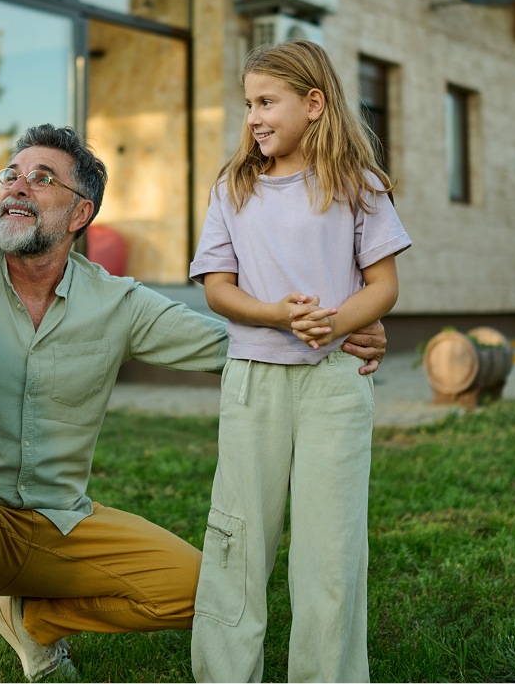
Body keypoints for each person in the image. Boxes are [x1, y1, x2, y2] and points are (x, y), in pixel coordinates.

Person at [0, 124, 391, 684]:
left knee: (207, 594)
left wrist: (335, 328)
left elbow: (229, 345)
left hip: (61, 522)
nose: (18, 187)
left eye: (43, 178)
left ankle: (36, 622)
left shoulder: (117, 302)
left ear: (82, 212)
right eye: (11, 175)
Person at [188, 39, 411, 684]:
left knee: (330, 547)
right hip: (253, 381)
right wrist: (280, 315)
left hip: (334, 385)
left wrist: (332, 325)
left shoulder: (358, 185)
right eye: (248, 104)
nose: (254, 116)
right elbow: (218, 288)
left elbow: (383, 285)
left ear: (314, 104)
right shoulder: (233, 188)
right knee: (238, 540)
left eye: (267, 102)